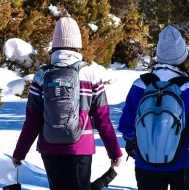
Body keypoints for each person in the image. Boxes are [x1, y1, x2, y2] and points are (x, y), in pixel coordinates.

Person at [11, 15, 122, 190]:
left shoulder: (42, 75)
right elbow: (102, 118)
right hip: (81, 148)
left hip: (49, 146)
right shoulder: (90, 73)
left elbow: (32, 119)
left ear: (54, 44)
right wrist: (114, 150)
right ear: (77, 44)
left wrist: (20, 152)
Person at [118, 26, 189, 190]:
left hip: (146, 163)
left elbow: (126, 127)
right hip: (185, 162)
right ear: (183, 56)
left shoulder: (140, 84)